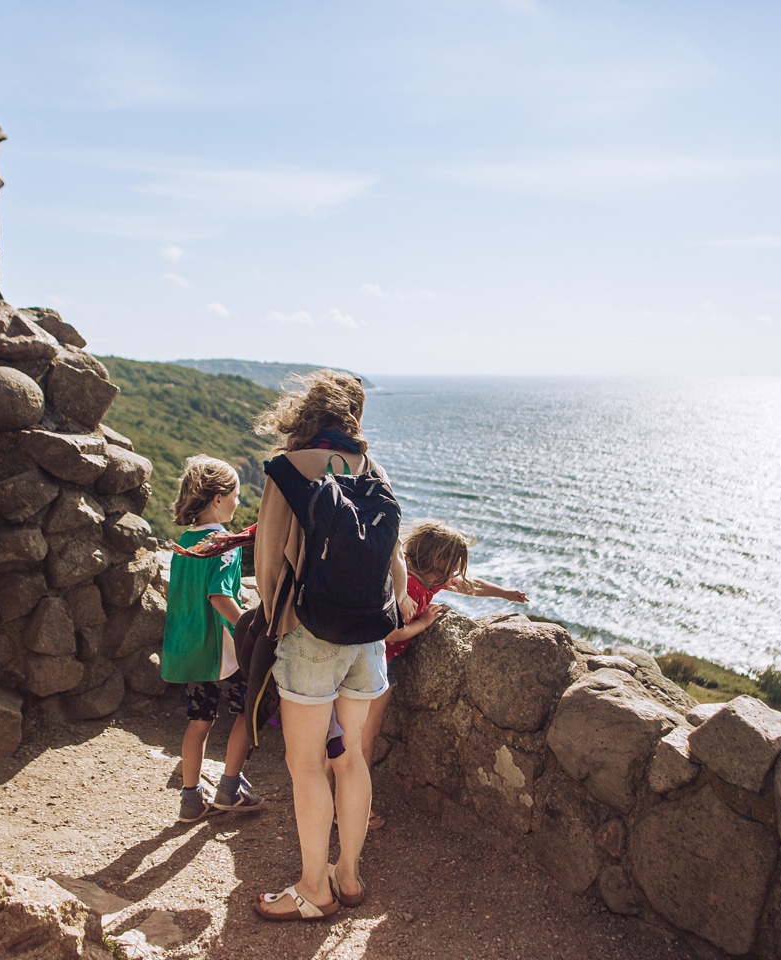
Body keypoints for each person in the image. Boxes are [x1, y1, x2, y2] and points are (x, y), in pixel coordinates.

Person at [251, 370, 411, 921]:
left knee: (305, 765)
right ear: (354, 418)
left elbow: (269, 557)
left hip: (309, 633)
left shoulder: (287, 470)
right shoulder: (372, 469)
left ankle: (314, 889)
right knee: (351, 759)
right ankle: (350, 874)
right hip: (368, 637)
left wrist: (274, 621)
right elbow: (395, 559)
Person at [355, 520, 529, 828]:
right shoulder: (408, 587)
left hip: (371, 660)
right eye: (450, 569)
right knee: (363, 739)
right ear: (436, 566)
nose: (453, 577)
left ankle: (336, 797)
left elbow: (468, 585)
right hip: (376, 662)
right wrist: (423, 624)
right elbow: (392, 633)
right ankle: (351, 808)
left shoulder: (421, 579)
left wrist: (505, 593)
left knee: (350, 735)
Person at [160, 455, 262, 822]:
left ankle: (191, 800)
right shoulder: (223, 543)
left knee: (199, 722)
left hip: (191, 649)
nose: (238, 500)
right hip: (222, 652)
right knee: (247, 713)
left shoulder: (186, 543)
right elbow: (219, 597)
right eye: (235, 493)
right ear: (218, 498)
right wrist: (247, 633)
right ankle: (229, 788)